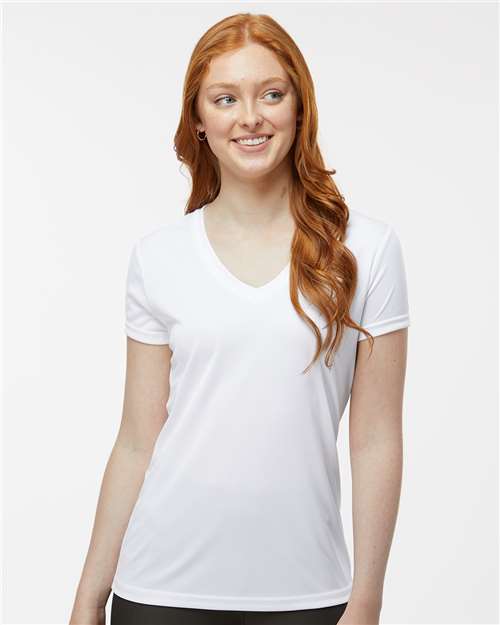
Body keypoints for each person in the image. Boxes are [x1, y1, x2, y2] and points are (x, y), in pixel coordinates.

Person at [69, 12, 410, 625]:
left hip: (309, 596)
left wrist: (367, 601)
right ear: (199, 121)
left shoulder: (366, 250)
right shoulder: (158, 257)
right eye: (225, 99)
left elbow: (376, 438)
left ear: (299, 109)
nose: (249, 117)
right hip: (161, 593)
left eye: (270, 94)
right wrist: (89, 596)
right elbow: (138, 439)